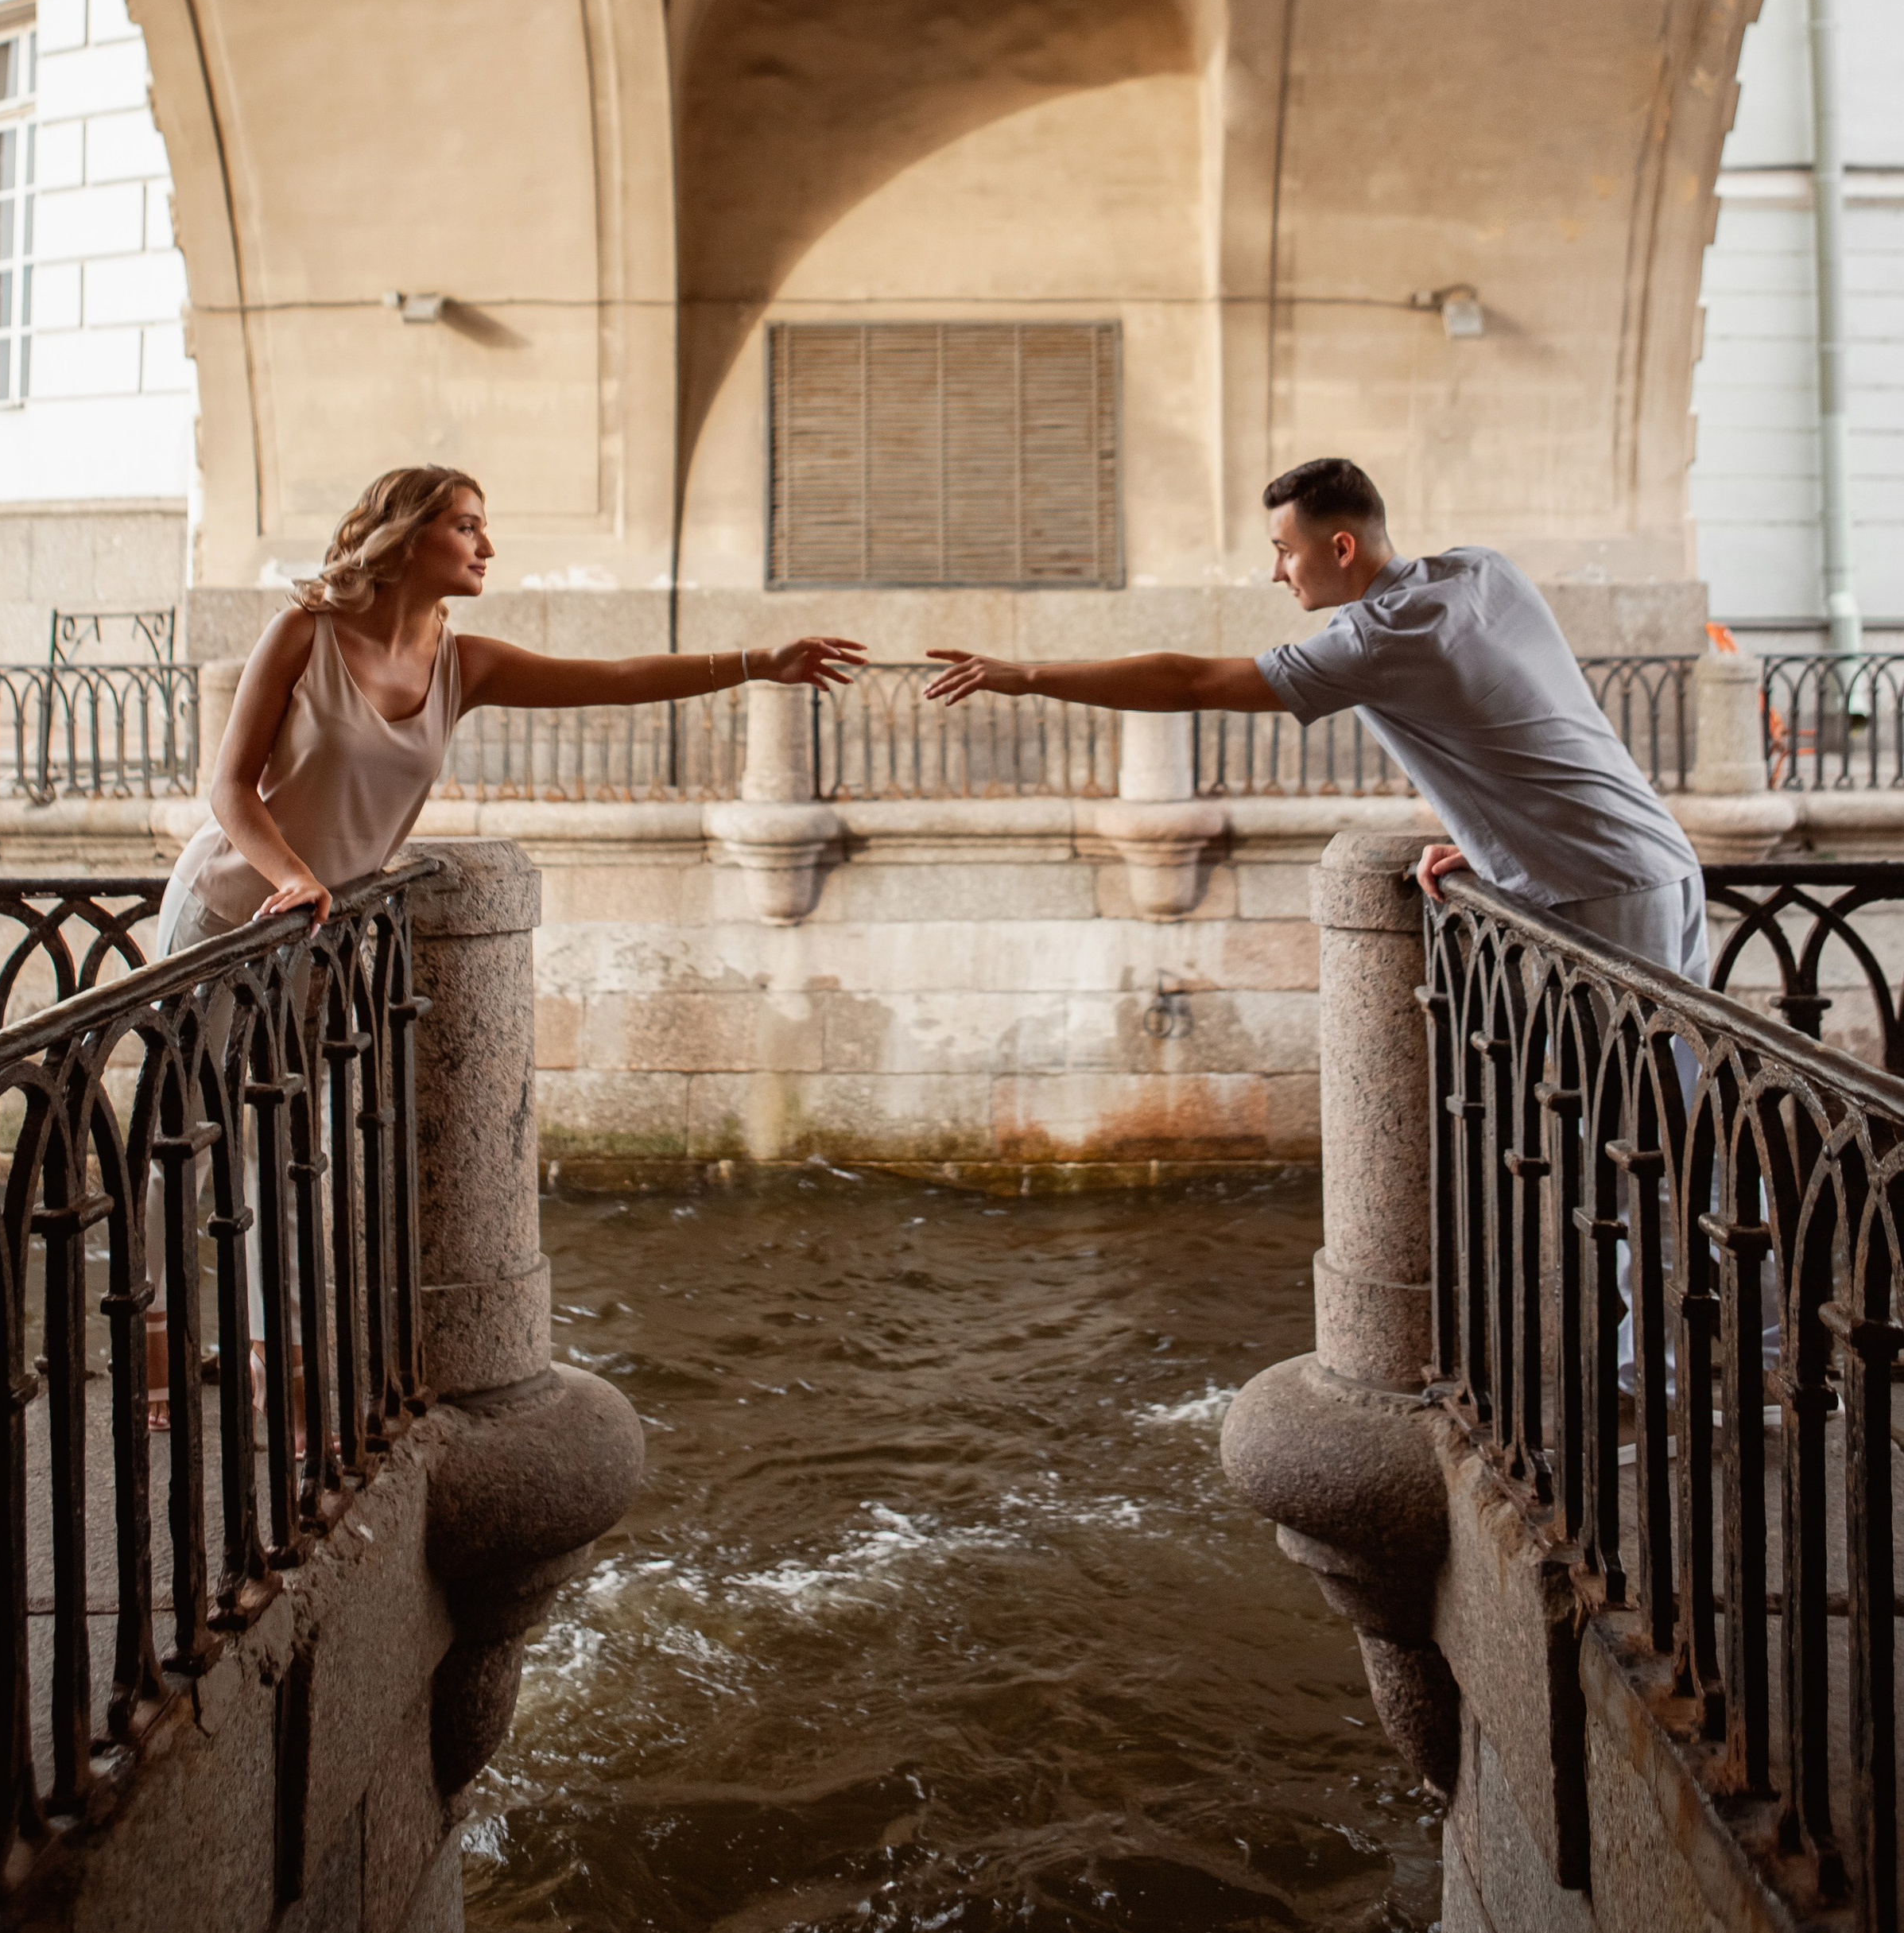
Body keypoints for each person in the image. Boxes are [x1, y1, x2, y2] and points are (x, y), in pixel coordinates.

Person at [146, 462, 863, 1421]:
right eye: (467, 526)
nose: (487, 546)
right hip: (232, 912)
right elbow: (230, 790)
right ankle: (155, 1344)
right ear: (405, 539)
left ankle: (282, 1362)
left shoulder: (460, 660)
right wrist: (291, 874)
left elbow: (612, 681)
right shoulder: (304, 635)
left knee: (284, 1152)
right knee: (185, 1142)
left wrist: (755, 662)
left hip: (318, 931)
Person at [924, 452, 1705, 977]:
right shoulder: (1481, 570)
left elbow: (1191, 681)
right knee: (1679, 1109)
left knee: (1619, 1135)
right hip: (1656, 855)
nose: (1274, 572)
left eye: (1283, 550)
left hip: (1592, 887)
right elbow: (1523, 723)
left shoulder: (1375, 639)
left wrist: (1024, 674)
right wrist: (1492, 845)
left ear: (1338, 546)